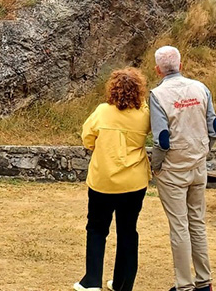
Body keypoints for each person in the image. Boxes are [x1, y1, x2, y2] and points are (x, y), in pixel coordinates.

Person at [149, 46, 216, 291]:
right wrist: (203, 152)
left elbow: (161, 139)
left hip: (172, 170)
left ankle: (184, 285)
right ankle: (204, 282)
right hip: (197, 166)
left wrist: (156, 166)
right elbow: (214, 129)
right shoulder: (201, 88)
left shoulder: (158, 95)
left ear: (158, 69)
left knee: (179, 226)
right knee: (197, 223)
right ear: (181, 64)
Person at [74, 68, 151, 291]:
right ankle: (122, 283)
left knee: (97, 229)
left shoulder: (102, 111)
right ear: (139, 91)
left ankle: (92, 281)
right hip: (134, 182)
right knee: (128, 230)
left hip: (103, 180)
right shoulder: (143, 115)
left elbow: (87, 138)